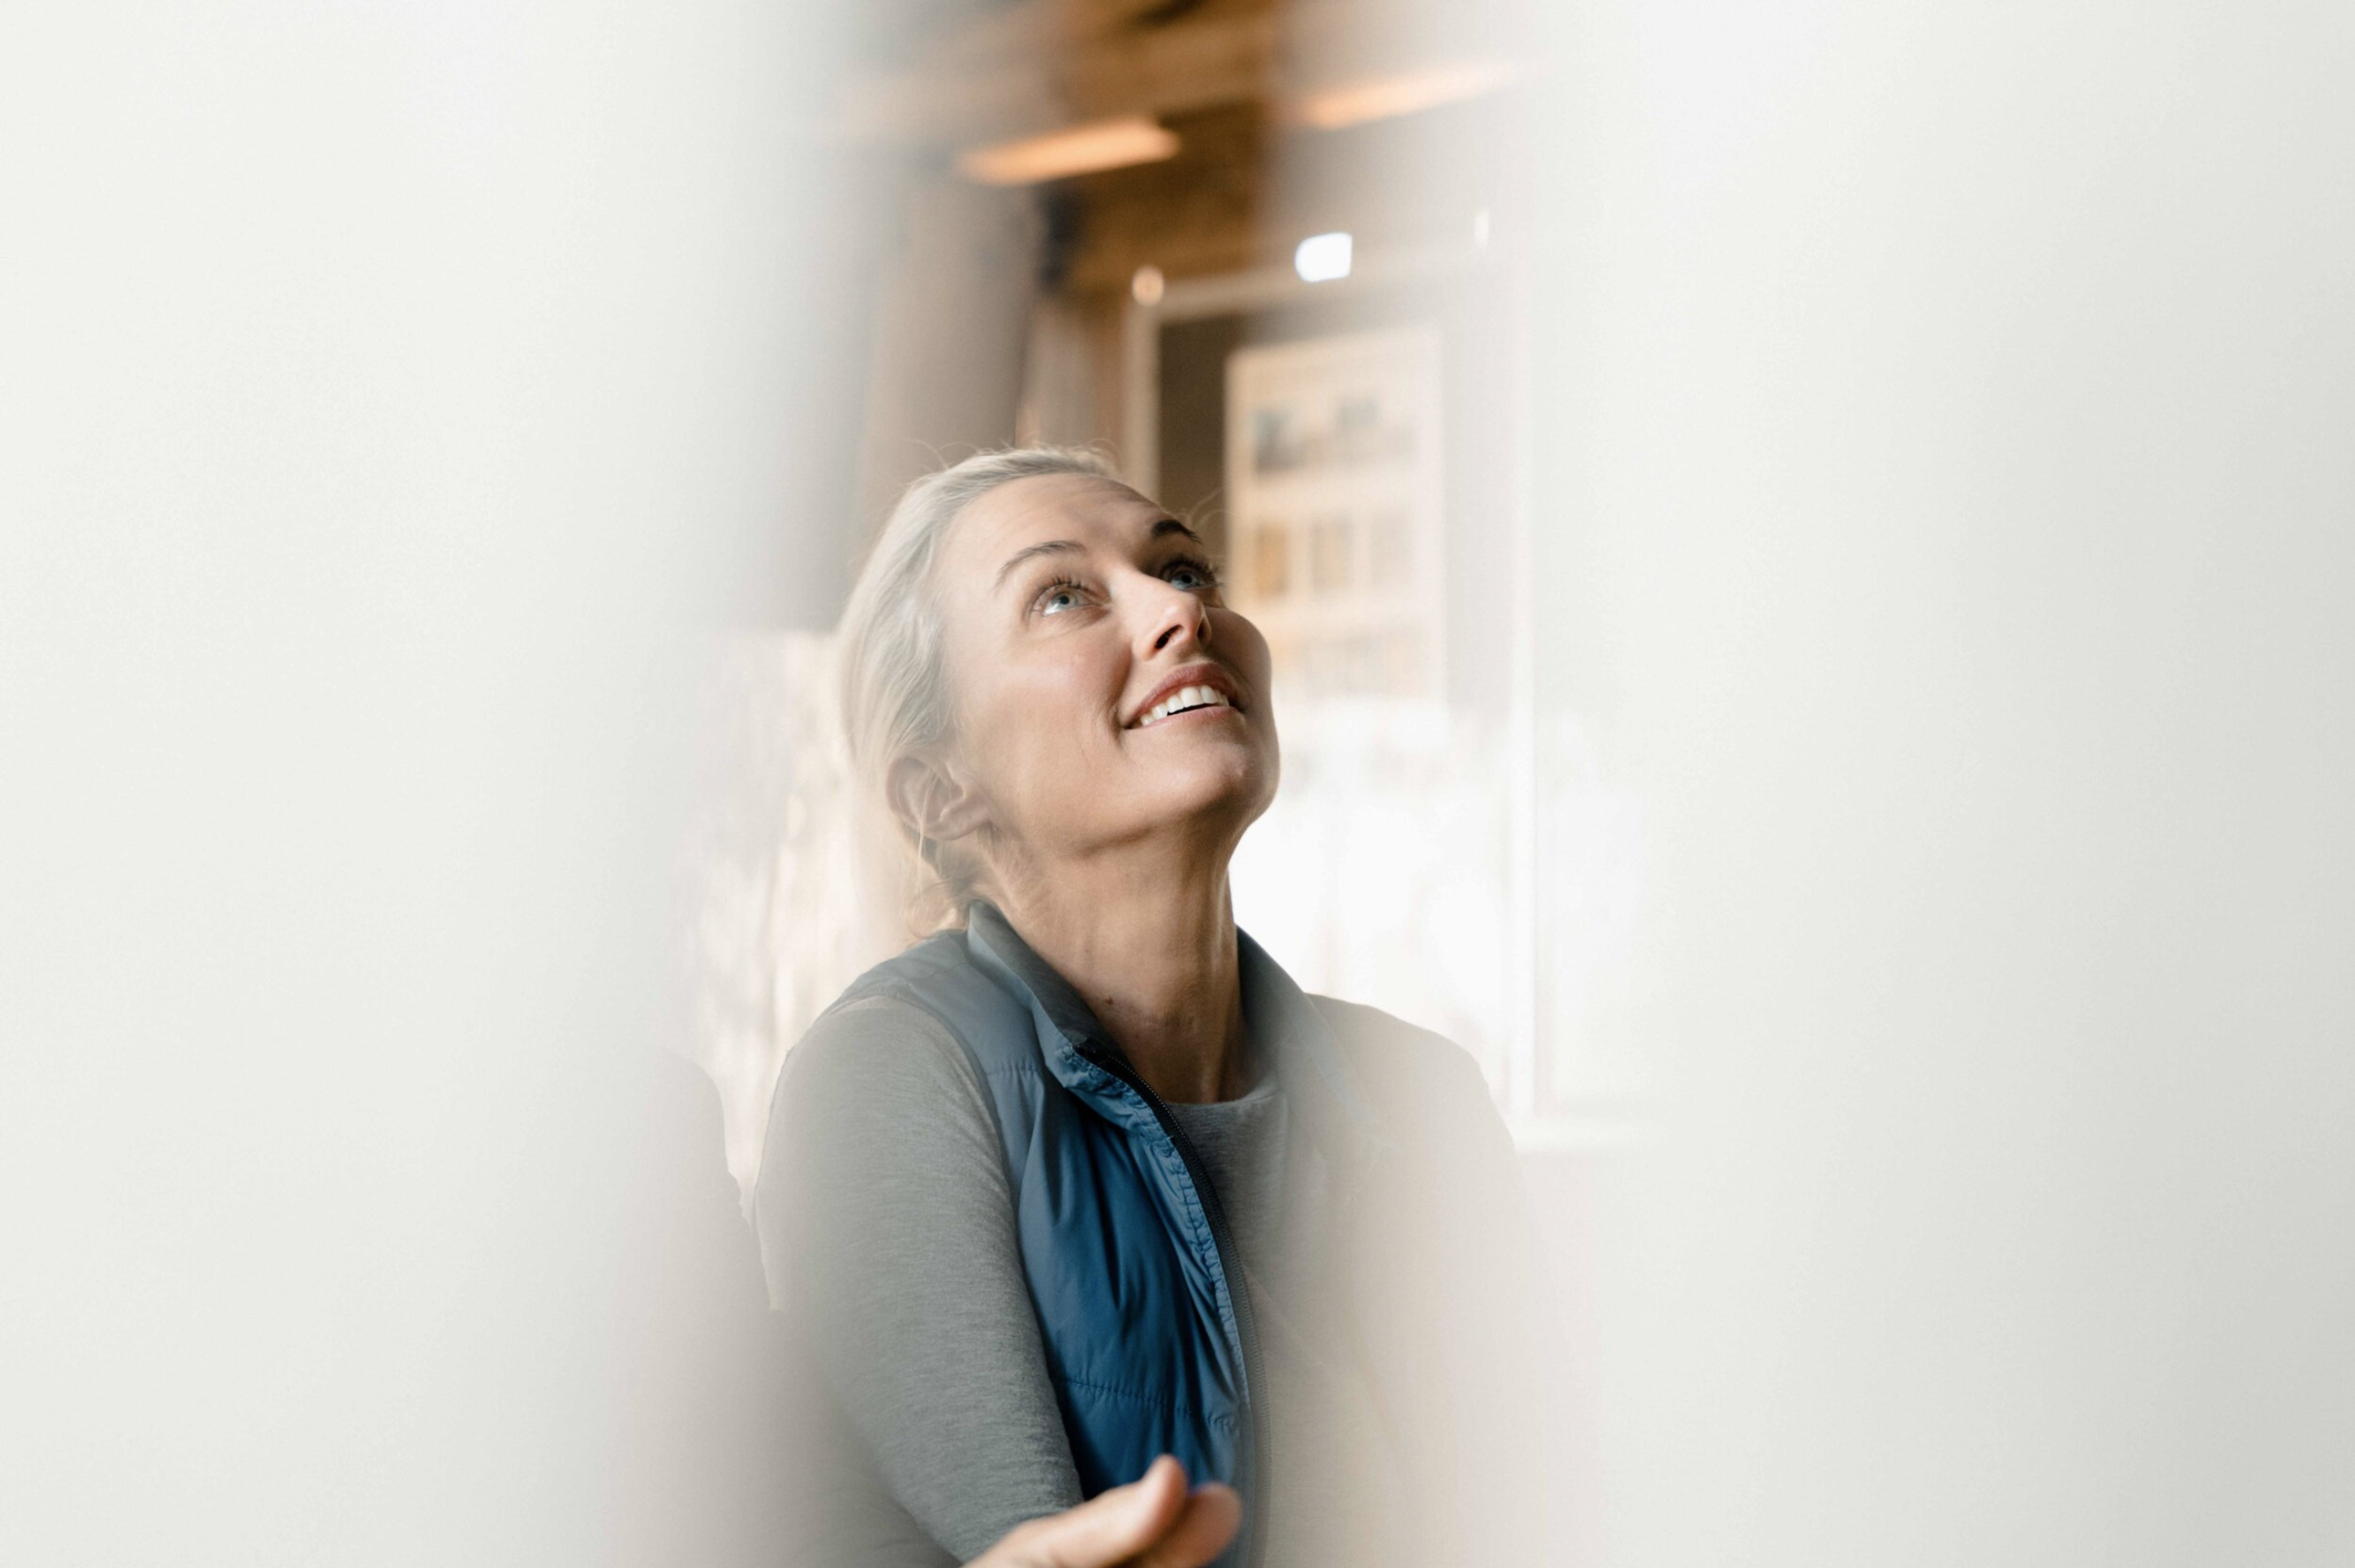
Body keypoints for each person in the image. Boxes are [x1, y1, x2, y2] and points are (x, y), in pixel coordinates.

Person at [756, 447, 1549, 1568]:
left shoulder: (1427, 1093)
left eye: (1184, 568)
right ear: (940, 789)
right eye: (1061, 595)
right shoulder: (888, 1079)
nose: (1181, 610)